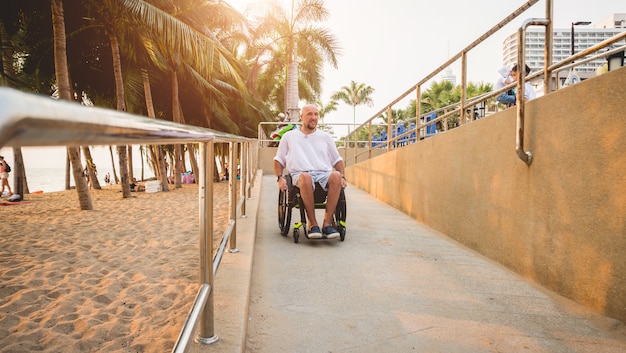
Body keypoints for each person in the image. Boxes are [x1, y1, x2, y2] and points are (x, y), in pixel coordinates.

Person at [274, 104, 347, 239]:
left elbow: (337, 160)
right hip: (299, 175)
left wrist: (342, 176)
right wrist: (280, 178)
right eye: (309, 114)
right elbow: (278, 160)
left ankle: (327, 224)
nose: (313, 117)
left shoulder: (325, 137)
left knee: (336, 176)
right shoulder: (289, 136)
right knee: (306, 177)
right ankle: (312, 224)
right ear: (301, 117)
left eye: (316, 114)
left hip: (323, 174)